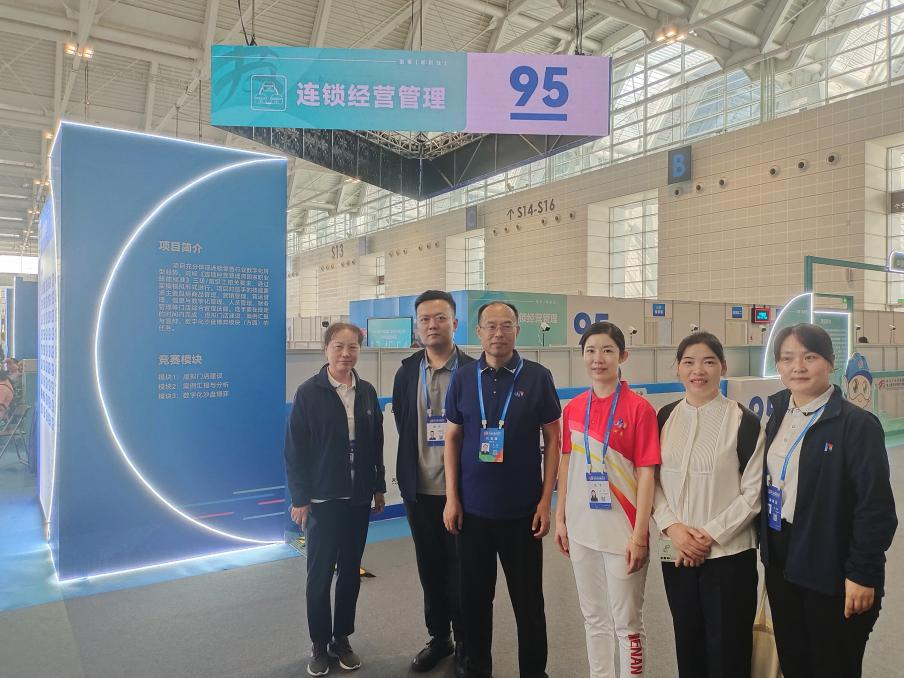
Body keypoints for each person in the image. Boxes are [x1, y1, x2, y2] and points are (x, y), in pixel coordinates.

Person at [761, 323, 897, 678]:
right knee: (794, 661)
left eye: (810, 357)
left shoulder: (857, 425)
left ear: (830, 362)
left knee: (833, 664)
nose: (798, 367)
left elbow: (876, 509)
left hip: (832, 564)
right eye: (787, 358)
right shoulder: (778, 414)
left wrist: (862, 573)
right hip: (782, 560)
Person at [443, 301, 561, 678]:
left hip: (523, 514)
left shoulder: (538, 377)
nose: (498, 333)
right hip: (473, 514)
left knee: (529, 606)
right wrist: (452, 498)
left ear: (517, 331)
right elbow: (452, 438)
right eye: (490, 326)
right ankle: (477, 670)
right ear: (478, 332)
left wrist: (545, 501)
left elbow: (554, 440)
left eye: (506, 325)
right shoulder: (463, 378)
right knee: (475, 604)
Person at [653, 331, 764, 678]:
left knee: (729, 650)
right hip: (676, 553)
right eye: (688, 362)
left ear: (723, 367)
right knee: (688, 644)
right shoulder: (665, 417)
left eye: (708, 362)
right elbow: (652, 481)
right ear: (677, 368)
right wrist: (674, 528)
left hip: (729, 556)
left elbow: (753, 493)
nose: (697, 370)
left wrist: (708, 535)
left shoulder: (744, 421)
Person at [555, 321, 660, 678]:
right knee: (594, 618)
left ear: (623, 356)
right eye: (590, 351)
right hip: (581, 529)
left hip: (623, 532)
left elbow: (647, 474)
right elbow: (566, 463)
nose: (597, 358)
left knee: (627, 623)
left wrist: (640, 535)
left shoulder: (639, 409)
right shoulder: (573, 408)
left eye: (607, 351)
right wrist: (561, 518)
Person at [284, 322, 386, 677]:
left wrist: (378, 486)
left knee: (350, 574)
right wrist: (300, 497)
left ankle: (341, 639)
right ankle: (318, 642)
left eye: (352, 347)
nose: (346, 353)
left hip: (357, 500)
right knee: (319, 575)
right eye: (339, 346)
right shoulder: (308, 392)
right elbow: (295, 450)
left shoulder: (367, 391)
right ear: (325, 350)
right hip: (322, 501)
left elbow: (376, 443)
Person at [392, 290, 475, 675]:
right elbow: (404, 422)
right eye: (424, 319)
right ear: (417, 326)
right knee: (430, 568)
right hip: (420, 490)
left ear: (454, 323)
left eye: (440, 318)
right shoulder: (407, 371)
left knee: (463, 571)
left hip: (464, 492)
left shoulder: (473, 370)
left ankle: (466, 642)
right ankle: (440, 638)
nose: (432, 325)